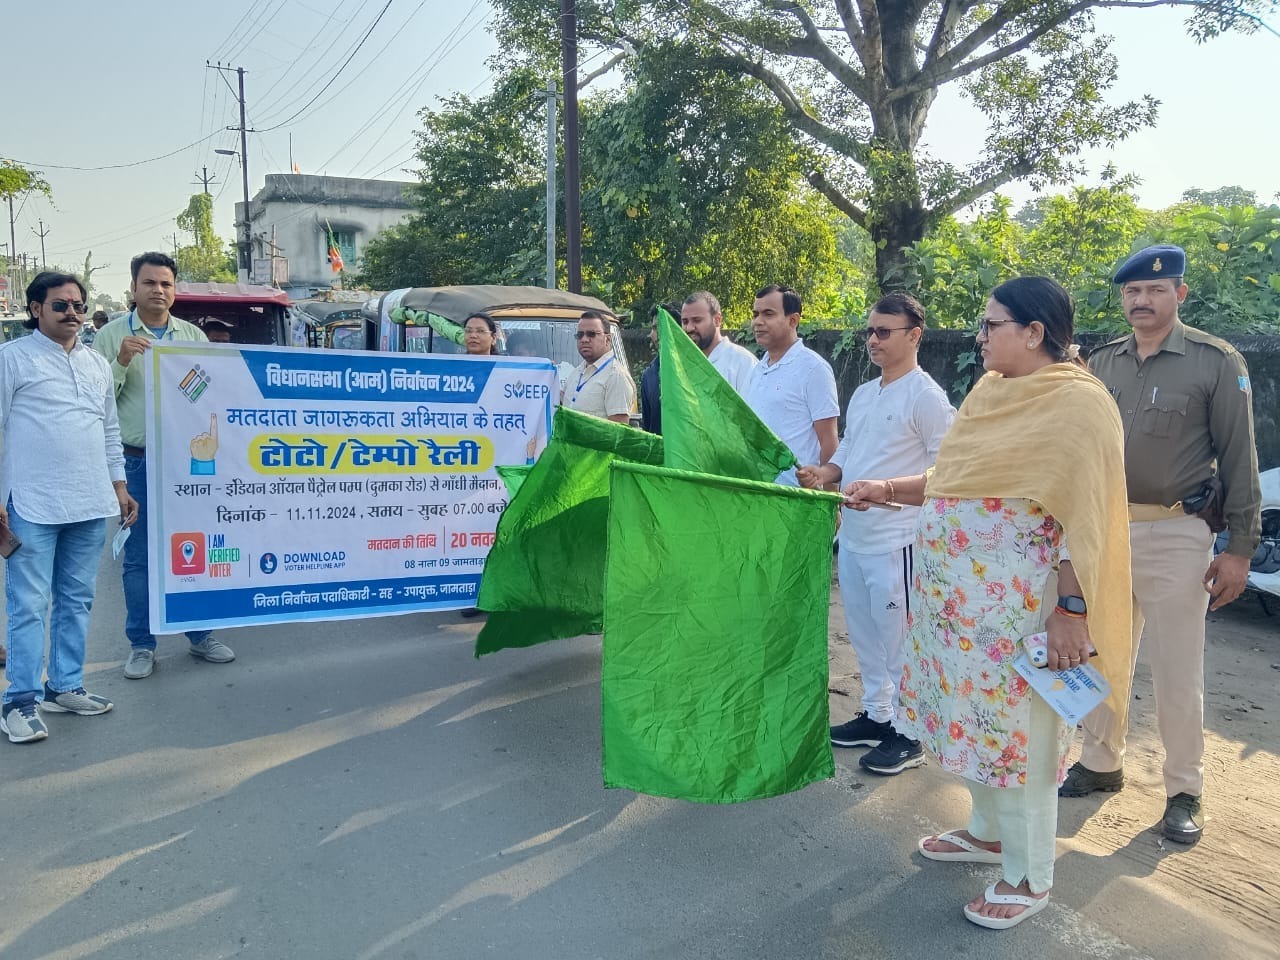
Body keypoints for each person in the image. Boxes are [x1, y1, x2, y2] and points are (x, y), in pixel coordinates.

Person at [844, 277, 1131, 929]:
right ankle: (987, 832)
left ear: (1034, 332)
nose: (979, 336)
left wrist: (1072, 611)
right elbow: (953, 479)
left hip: (1022, 614)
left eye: (990, 324)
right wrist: (887, 488)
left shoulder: (1080, 404)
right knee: (972, 724)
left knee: (1022, 740)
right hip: (958, 614)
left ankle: (1029, 875)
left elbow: (1084, 518)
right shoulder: (991, 393)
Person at [1060, 244, 1262, 844]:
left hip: (1177, 531)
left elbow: (1240, 457)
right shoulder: (1102, 363)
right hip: (1107, 529)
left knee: (1177, 668)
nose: (1142, 300)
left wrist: (1240, 549)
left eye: (1155, 290)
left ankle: (1183, 790)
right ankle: (1101, 762)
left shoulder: (1214, 361)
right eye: (1132, 291)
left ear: (1180, 293)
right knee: (1101, 653)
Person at [797, 292, 955, 775]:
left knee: (900, 640)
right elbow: (849, 450)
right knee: (865, 635)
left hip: (896, 539)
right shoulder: (866, 392)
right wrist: (827, 473)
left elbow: (947, 474)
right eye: (870, 330)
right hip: (855, 535)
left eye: (884, 331)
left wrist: (886, 489)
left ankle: (910, 732)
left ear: (915, 336)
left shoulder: (926, 397)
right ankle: (877, 714)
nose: (873, 340)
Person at [0, 271, 137, 743]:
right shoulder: (12, 359)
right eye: (61, 305)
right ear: (36, 309)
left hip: (90, 501)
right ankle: (18, 701)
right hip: (31, 504)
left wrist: (119, 486)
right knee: (29, 605)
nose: (73, 313)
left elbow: (109, 431)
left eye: (78, 305)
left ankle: (63, 686)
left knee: (77, 599)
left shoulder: (96, 364)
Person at [93, 252, 236, 679]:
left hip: (184, 462)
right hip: (134, 464)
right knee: (139, 559)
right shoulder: (111, 337)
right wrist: (120, 362)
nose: (158, 290)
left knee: (194, 548)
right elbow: (95, 401)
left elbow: (208, 394)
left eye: (166, 284)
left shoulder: (191, 335)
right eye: (150, 283)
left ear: (174, 290)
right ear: (133, 288)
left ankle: (200, 634)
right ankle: (142, 644)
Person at [743, 284, 839, 486]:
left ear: (793, 320)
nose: (758, 322)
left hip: (797, 495)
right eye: (755, 314)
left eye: (768, 314)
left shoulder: (814, 368)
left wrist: (830, 498)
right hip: (758, 491)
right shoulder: (757, 370)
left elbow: (829, 442)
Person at [562, 310, 634, 424]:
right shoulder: (576, 373)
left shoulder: (616, 376)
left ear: (608, 339)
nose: (584, 339)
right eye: (580, 335)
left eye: (591, 334)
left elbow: (618, 431)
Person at [681, 291, 756, 395]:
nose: (689, 328)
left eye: (697, 320)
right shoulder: (681, 364)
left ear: (717, 320)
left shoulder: (743, 362)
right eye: (685, 322)